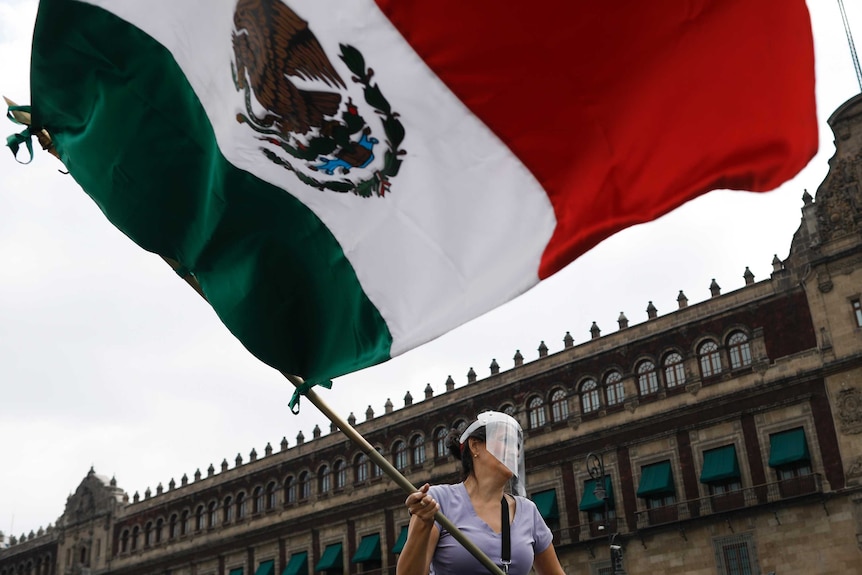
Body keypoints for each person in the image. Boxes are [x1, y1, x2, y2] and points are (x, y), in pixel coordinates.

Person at [397, 411, 566, 575]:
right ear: (475, 445)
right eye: (505, 440)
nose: (514, 452)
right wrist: (423, 523)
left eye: (516, 446)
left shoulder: (528, 511)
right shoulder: (438, 501)